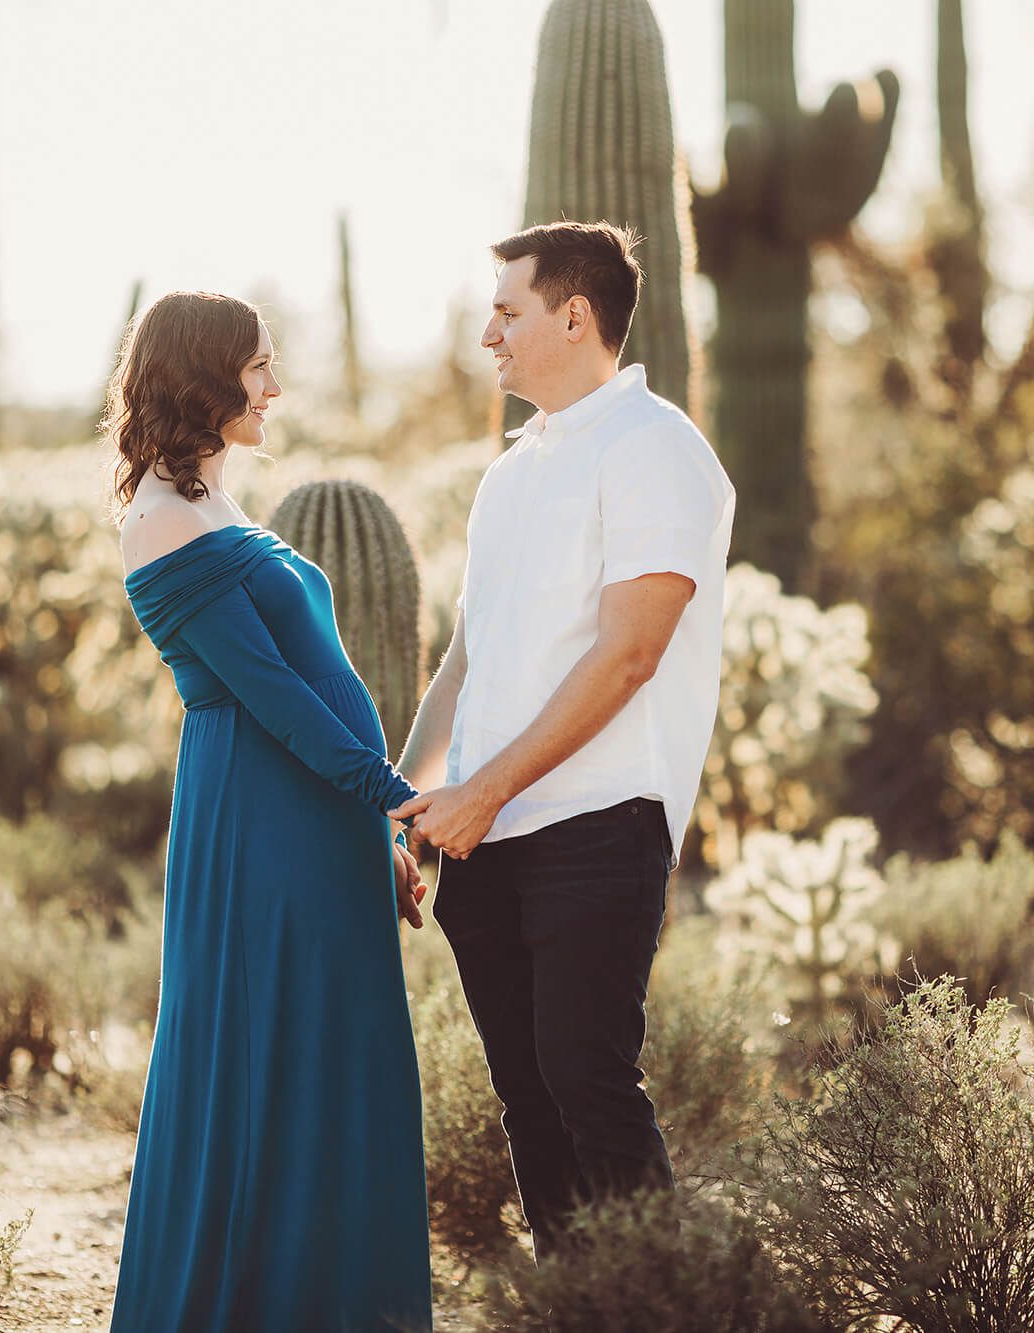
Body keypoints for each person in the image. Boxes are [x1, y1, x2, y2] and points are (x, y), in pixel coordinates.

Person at [393, 221, 736, 1260]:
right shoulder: (509, 474)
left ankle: (659, 1312)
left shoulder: (656, 450)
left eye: (507, 310)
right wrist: (401, 801)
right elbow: (468, 652)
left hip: (598, 827)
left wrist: (483, 791)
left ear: (574, 315)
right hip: (480, 838)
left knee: (589, 1084)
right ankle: (578, 1309)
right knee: (527, 1107)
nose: (487, 334)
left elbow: (630, 654)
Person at [106, 290, 432, 1331]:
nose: (276, 387)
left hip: (318, 816)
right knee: (259, 1058)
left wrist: (368, 828)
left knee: (330, 1062)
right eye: (258, 368)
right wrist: (395, 800)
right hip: (262, 822)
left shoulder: (215, 501)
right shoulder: (158, 518)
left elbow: (306, 681)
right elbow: (273, 696)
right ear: (203, 379)